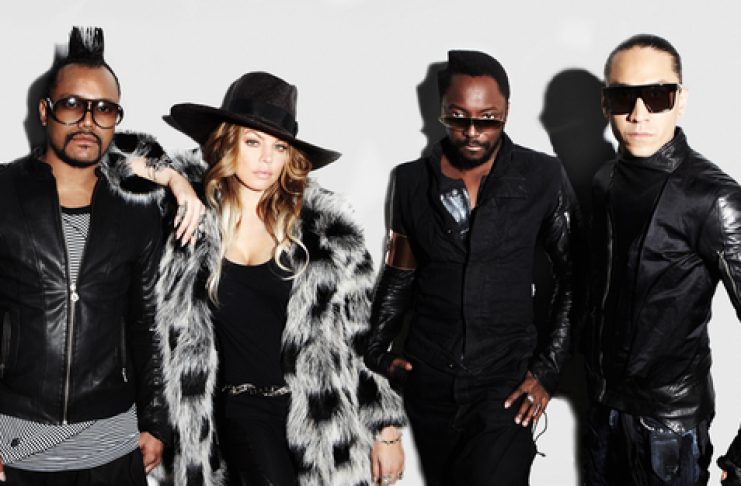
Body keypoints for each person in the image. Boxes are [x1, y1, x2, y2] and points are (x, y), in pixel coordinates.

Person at [115, 71, 407, 486]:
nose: (267, 159)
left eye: (279, 147)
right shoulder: (189, 214)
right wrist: (175, 181)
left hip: (317, 420)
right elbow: (107, 152)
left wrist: (387, 430)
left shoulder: (329, 235)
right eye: (253, 142)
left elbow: (364, 338)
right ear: (228, 142)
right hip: (236, 411)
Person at [365, 50, 579, 485]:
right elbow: (400, 272)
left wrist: (547, 370)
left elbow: (574, 275)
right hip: (431, 381)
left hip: (505, 383)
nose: (473, 132)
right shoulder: (410, 182)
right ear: (441, 110)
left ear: (507, 112)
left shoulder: (543, 175)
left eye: (488, 119)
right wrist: (377, 352)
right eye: (458, 117)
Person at [0, 27, 186, 484]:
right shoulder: (3, 192)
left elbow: (148, 321)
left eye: (104, 109)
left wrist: (156, 421)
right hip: (20, 445)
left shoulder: (138, 210)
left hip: (112, 448)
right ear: (45, 111)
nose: (88, 120)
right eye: (72, 104)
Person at [585, 33, 741, 485]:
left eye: (656, 96)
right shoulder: (604, 181)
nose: (639, 114)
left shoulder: (714, 199)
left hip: (669, 427)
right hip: (602, 412)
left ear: (680, 100)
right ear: (605, 104)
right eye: (623, 97)